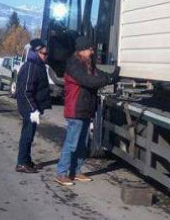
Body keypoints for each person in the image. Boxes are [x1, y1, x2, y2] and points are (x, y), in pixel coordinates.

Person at [56, 37, 120, 186]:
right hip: (75, 110)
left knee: (82, 143)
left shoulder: (88, 64)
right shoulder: (74, 65)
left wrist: (112, 76)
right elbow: (88, 81)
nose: (92, 51)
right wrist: (109, 80)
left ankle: (76, 171)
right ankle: (61, 173)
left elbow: (99, 74)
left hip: (86, 109)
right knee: (72, 143)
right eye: (89, 49)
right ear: (82, 50)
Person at [15, 38, 52, 173]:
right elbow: (26, 91)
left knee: (29, 135)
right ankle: (21, 163)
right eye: (44, 53)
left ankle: (27, 161)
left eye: (47, 53)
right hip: (29, 108)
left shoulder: (37, 65)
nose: (46, 56)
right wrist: (33, 109)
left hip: (33, 107)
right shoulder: (31, 66)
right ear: (36, 52)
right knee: (27, 135)